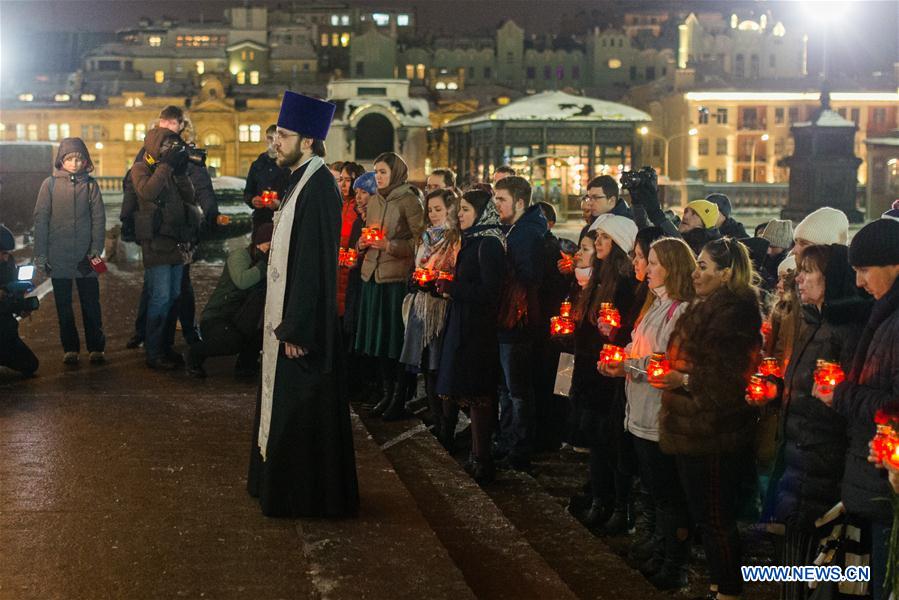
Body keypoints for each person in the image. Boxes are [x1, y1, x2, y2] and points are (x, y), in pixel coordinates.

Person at [247, 91, 358, 518]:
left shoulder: (320, 187)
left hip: (300, 329)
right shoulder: (302, 180)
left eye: (284, 135)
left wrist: (297, 327)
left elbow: (315, 265)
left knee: (300, 411)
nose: (276, 141)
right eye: (277, 133)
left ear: (308, 141)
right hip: (289, 321)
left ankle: (302, 497)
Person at [652, 237, 762, 600]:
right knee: (705, 515)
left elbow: (727, 378)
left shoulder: (736, 313)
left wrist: (683, 379)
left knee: (716, 518)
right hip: (690, 427)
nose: (695, 273)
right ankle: (719, 584)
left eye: (703, 266)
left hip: (713, 432)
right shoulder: (707, 306)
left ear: (726, 273)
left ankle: (728, 590)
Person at [763, 244, 869, 600]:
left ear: (833, 279)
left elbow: (849, 406)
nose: (800, 279)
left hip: (824, 463)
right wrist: (772, 392)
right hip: (800, 459)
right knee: (795, 561)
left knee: (817, 567)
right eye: (799, 271)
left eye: (809, 272)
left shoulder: (847, 332)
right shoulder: (812, 322)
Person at [601, 236, 696, 590]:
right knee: (654, 489)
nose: (648, 268)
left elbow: (665, 361)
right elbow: (638, 344)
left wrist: (629, 364)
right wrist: (619, 359)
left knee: (669, 493)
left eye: (654, 262)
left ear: (673, 268)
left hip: (659, 414)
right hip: (639, 410)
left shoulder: (682, 310)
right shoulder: (654, 304)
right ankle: (658, 551)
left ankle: (675, 564)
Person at [825, 218, 899, 600]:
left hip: (887, 486)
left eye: (864, 270)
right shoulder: (883, 314)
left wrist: (843, 395)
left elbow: (894, 403)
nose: (858, 282)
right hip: (872, 478)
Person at [123, 105, 220, 349]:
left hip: (181, 233)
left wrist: (210, 213)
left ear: (180, 126)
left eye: (172, 126)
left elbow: (200, 189)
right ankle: (145, 335)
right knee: (156, 289)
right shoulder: (145, 157)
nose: (166, 130)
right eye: (163, 125)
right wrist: (128, 220)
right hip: (157, 233)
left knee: (178, 288)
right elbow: (136, 188)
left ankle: (185, 332)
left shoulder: (183, 156)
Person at [570, 215, 640, 534]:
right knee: (595, 439)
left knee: (611, 443)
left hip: (609, 376)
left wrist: (613, 332)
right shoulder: (597, 278)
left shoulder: (625, 285)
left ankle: (617, 506)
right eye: (595, 237)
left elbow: (628, 332)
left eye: (604, 238)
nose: (597, 243)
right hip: (590, 370)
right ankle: (599, 499)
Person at [435, 189, 507, 482]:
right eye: (460, 209)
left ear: (481, 211)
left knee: (479, 394)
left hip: (479, 330)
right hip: (464, 324)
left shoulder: (488, 244)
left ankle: (482, 459)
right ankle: (476, 454)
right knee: (468, 390)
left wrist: (454, 289)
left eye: (466, 209)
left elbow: (492, 292)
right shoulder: (474, 240)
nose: (460, 214)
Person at [356, 152, 425, 420]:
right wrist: (363, 243)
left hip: (395, 279)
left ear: (395, 173)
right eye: (376, 172)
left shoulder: (408, 200)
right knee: (378, 341)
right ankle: (386, 392)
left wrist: (390, 246)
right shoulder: (375, 200)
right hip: (372, 276)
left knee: (394, 341)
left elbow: (421, 241)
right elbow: (370, 231)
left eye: (383, 171)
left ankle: (399, 396)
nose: (378, 177)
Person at [32, 138, 107, 365]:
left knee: (91, 304)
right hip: (59, 256)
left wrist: (95, 252)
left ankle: (96, 347)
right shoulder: (49, 185)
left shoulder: (92, 186)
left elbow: (99, 221)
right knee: (63, 307)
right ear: (62, 161)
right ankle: (70, 348)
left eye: (78, 159)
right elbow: (41, 220)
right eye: (70, 159)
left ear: (85, 161)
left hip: (86, 257)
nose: (74, 163)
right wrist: (41, 255)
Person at [131, 126, 198, 370]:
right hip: (157, 244)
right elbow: (148, 192)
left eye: (173, 145)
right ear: (154, 145)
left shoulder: (170, 171)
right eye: (166, 145)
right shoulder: (141, 168)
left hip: (177, 242)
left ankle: (166, 347)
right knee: (160, 298)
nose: (170, 150)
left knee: (174, 297)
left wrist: (180, 173)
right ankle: (154, 351)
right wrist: (166, 166)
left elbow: (190, 197)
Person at [493, 175, 548, 472]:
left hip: (518, 321)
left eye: (501, 199)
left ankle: (519, 445)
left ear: (520, 202)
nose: (496, 205)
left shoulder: (526, 234)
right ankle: (506, 439)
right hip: (505, 319)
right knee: (506, 386)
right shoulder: (511, 228)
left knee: (517, 389)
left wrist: (503, 264)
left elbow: (530, 276)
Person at [399, 189, 460, 438]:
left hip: (439, 307)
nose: (433, 214)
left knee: (439, 365)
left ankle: (447, 425)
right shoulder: (424, 237)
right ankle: (436, 418)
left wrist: (437, 282)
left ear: (449, 210)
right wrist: (416, 279)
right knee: (424, 363)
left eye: (438, 209)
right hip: (420, 305)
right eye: (430, 210)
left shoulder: (454, 238)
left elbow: (453, 270)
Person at [185, 223, 273, 378]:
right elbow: (242, 280)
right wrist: (264, 264)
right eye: (269, 246)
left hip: (240, 316)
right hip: (217, 317)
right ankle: (194, 353)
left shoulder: (265, 261)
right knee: (232, 342)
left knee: (260, 331)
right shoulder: (240, 256)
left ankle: (246, 366)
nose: (271, 251)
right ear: (259, 243)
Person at [0, 224, 39, 377]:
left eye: (7, 253)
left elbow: (11, 296)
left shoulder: (7, 263)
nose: (5, 257)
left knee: (30, 364)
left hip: (5, 330)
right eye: (2, 253)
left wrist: (20, 306)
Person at [244, 124, 290, 230]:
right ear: (266, 139)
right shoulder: (257, 165)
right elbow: (248, 192)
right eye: (270, 138)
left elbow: (295, 193)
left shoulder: (289, 165)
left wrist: (280, 203)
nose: (273, 142)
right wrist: (252, 200)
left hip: (282, 222)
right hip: (261, 220)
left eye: (277, 138)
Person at [336, 162, 365, 322]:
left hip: (351, 268)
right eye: (341, 179)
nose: (344, 184)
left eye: (348, 179)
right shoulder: (339, 204)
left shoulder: (359, 208)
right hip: (338, 266)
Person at [758, 219, 794, 291]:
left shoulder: (790, 266)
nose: (768, 250)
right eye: (766, 245)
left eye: (773, 247)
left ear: (785, 247)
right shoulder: (759, 257)